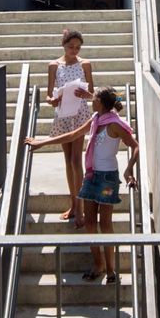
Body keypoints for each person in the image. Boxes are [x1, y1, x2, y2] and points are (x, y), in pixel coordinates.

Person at [28, 87, 138, 283]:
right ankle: (98, 264)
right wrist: (43, 142)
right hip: (91, 177)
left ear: (101, 103)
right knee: (89, 223)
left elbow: (135, 146)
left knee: (105, 224)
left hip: (107, 180)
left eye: (93, 98)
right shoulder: (95, 119)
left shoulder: (114, 124)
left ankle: (111, 269)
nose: (91, 100)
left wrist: (129, 169)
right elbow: (72, 135)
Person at [45, 29, 96, 226]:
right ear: (63, 45)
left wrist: (86, 94)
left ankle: (80, 208)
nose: (74, 50)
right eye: (71, 47)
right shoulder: (54, 66)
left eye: (78, 47)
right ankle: (74, 204)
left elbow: (92, 93)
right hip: (62, 114)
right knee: (68, 161)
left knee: (76, 161)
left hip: (79, 114)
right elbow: (49, 95)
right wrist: (52, 100)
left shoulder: (85, 64)